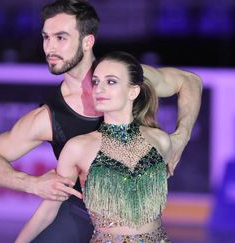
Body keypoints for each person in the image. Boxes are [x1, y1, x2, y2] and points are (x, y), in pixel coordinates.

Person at [0, 0, 202, 242]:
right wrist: (31, 184)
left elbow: (190, 82)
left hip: (139, 222)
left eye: (61, 37)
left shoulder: (124, 77)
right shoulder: (48, 117)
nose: (50, 47)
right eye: (46, 37)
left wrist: (182, 136)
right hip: (79, 215)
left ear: (87, 41)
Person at [15, 51, 172, 243]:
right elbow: (48, 211)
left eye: (111, 82)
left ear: (133, 91)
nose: (99, 89)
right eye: (96, 82)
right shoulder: (78, 148)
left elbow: (189, 81)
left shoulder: (161, 141)